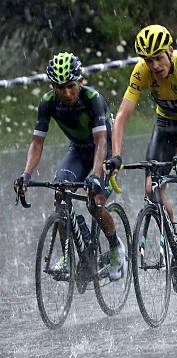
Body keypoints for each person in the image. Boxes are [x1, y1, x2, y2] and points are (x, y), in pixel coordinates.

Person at [108, 24, 177, 273]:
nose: (154, 65)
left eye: (158, 58)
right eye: (148, 60)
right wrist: (115, 156)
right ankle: (175, 240)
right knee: (152, 188)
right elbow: (122, 115)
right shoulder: (141, 72)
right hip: (165, 124)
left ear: (170, 51)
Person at [14, 52, 126, 280]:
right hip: (77, 150)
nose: (66, 93)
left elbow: (101, 141)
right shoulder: (47, 103)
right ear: (51, 86)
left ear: (80, 81)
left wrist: (96, 174)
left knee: (95, 203)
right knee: (60, 192)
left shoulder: (93, 98)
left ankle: (116, 247)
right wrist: (26, 174)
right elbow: (37, 143)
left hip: (103, 150)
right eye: (60, 87)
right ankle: (71, 252)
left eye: (71, 86)